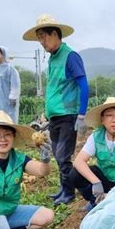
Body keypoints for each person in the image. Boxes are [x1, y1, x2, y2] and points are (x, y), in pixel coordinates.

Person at [23, 14, 89, 206]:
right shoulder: (52, 59)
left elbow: (83, 84)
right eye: (39, 38)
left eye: (43, 36)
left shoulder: (70, 56)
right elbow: (54, 88)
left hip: (69, 116)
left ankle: (74, 193)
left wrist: (82, 114)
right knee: (58, 155)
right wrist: (47, 115)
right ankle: (64, 189)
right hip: (55, 117)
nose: (41, 42)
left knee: (62, 156)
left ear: (54, 34)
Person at [0, 46, 21, 123]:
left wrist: (13, 97)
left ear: (4, 55)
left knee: (9, 120)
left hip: (7, 102)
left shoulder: (10, 69)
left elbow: (15, 85)